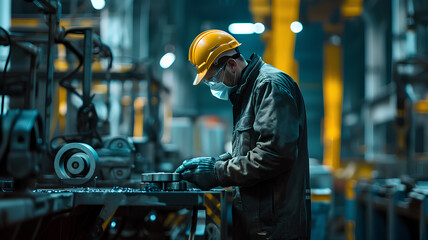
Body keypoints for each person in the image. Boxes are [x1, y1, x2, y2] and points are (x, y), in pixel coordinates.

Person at [176, 29, 311, 240]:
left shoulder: (269, 86)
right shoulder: (246, 92)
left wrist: (218, 171)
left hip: (274, 228)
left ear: (231, 65)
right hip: (257, 223)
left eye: (212, 79)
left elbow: (274, 154)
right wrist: (212, 163)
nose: (213, 86)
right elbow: (249, 151)